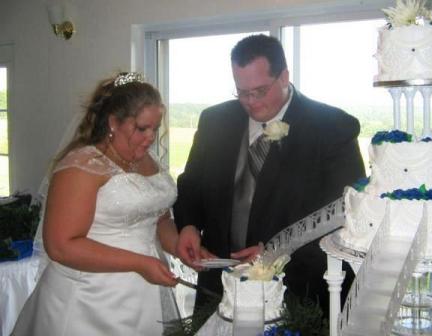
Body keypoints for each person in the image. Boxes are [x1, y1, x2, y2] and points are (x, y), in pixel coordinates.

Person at [174, 34, 366, 316]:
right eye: (241, 92)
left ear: (284, 76)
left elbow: (345, 214)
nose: (250, 102)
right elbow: (191, 184)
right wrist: (189, 225)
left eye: (260, 91)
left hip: (298, 291)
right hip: (219, 289)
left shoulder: (332, 127)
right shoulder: (214, 121)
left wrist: (277, 252)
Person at [12, 72, 181, 335]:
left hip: (143, 295)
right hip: (90, 299)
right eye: (141, 128)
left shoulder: (148, 160)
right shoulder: (82, 165)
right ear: (113, 122)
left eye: (155, 128)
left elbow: (160, 218)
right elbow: (61, 246)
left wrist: (180, 246)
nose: (150, 137)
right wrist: (140, 262)